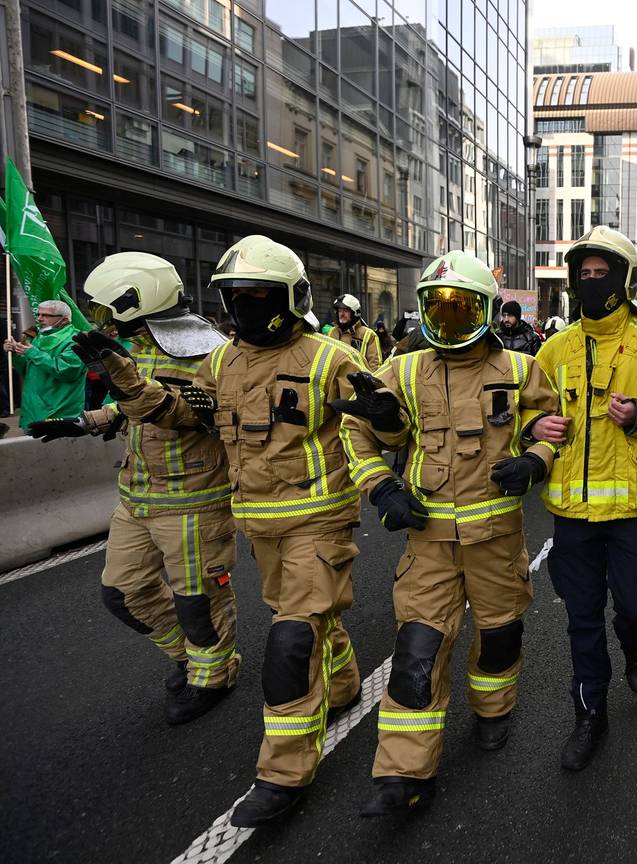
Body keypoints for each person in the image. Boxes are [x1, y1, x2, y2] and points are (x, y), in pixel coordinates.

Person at [79, 235, 366, 827]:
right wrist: (124, 382)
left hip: (320, 519)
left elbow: (383, 424)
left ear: (291, 297)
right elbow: (185, 415)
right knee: (307, 617)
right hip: (259, 521)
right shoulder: (224, 361)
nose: (246, 308)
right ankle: (343, 686)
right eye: (236, 297)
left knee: (290, 642)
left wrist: (387, 443)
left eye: (260, 295)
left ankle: (283, 774)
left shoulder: (331, 357)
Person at [335, 250, 565, 815]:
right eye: (440, 307)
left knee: (500, 637)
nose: (451, 319)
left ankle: (493, 712)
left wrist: (536, 458)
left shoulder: (517, 368)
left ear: (485, 310)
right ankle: (402, 773)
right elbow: (357, 428)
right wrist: (380, 487)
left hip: (497, 541)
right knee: (416, 653)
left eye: (463, 308)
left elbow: (553, 424)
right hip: (429, 544)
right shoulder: (405, 369)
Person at [31, 254, 238, 723]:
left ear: (136, 301)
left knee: (199, 601)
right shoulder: (135, 347)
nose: (103, 321)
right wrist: (84, 422)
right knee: (122, 592)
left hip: (192, 500)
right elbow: (129, 408)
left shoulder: (208, 352)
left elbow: (187, 413)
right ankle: (190, 658)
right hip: (137, 497)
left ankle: (214, 675)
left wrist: (124, 383)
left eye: (108, 310)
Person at [534, 225, 637, 772]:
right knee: (582, 619)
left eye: (600, 272)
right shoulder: (554, 349)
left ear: (624, 279)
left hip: (636, 511)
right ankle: (590, 714)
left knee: (634, 607)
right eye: (581, 273)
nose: (589, 281)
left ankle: (636, 644)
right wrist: (536, 423)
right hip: (572, 516)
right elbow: (523, 414)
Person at [3, 299, 86, 428]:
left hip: (59, 412)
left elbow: (67, 371)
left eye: (46, 315)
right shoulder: (38, 337)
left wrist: (32, 353)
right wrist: (15, 353)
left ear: (64, 320)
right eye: (38, 314)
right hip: (33, 410)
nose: (40, 319)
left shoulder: (75, 340)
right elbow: (26, 370)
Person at [327, 294, 383, 369]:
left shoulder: (368, 335)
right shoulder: (332, 332)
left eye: (346, 311)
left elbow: (374, 366)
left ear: (355, 313)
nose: (342, 314)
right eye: (340, 311)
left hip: (357, 379)